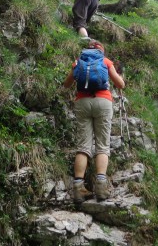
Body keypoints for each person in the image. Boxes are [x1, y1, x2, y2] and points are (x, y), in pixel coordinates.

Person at [63, 40, 125, 203]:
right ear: (101, 51)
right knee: (102, 146)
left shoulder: (78, 62)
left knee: (83, 146)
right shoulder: (105, 61)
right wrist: (120, 76)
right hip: (103, 102)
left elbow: (66, 84)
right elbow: (120, 84)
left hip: (83, 102)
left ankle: (78, 188)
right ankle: (101, 188)